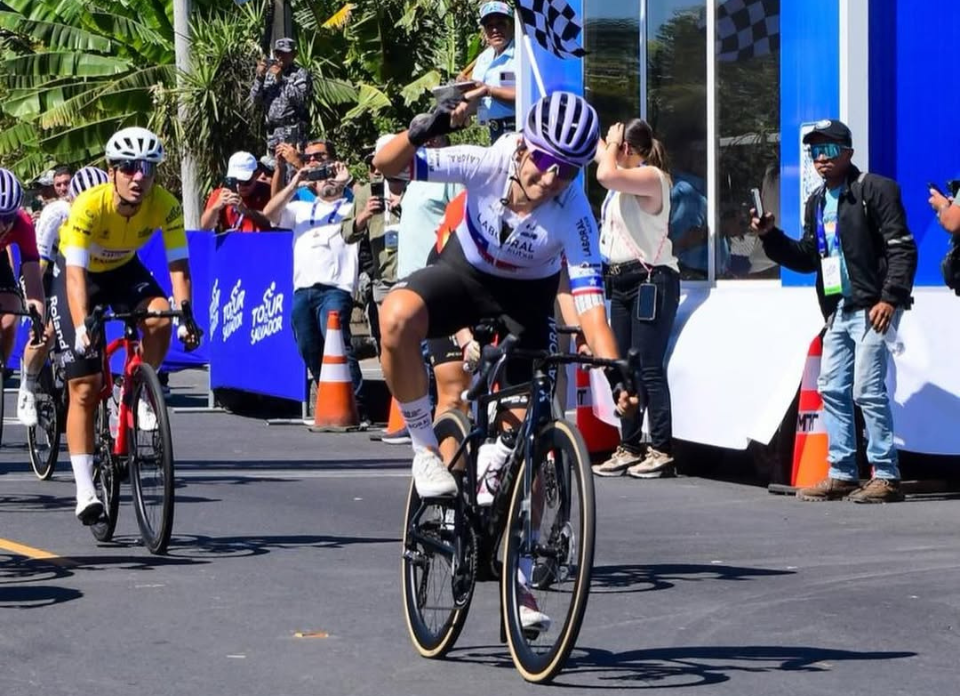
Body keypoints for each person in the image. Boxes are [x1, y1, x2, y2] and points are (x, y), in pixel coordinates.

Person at [374, 92, 638, 631]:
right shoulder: (490, 161)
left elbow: (589, 306)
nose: (551, 177)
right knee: (397, 316)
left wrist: (615, 370)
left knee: (526, 440)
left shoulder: (574, 212)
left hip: (525, 304)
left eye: (567, 170)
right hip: (463, 276)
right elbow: (386, 165)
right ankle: (426, 449)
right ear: (523, 148)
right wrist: (423, 128)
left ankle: (517, 584)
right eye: (543, 160)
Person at [752, 119, 917, 503]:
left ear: (849, 152)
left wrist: (889, 298)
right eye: (814, 152)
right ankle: (843, 472)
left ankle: (886, 475)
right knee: (831, 388)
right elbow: (811, 257)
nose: (820, 159)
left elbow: (901, 248)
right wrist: (770, 237)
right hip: (839, 308)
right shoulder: (817, 202)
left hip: (874, 306)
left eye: (828, 151)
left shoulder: (874, 189)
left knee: (867, 390)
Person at [54, 126, 201, 524]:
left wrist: (185, 313)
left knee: (158, 313)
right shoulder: (89, 205)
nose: (139, 176)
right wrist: (84, 325)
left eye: (148, 169)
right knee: (83, 387)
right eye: (129, 167)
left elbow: (177, 265)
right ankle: (85, 489)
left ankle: (135, 387)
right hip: (82, 277)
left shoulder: (165, 204)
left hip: (123, 270)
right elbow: (74, 275)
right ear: (111, 171)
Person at [591, 119, 681, 479]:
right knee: (623, 366)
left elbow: (605, 174)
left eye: (618, 144)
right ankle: (628, 445)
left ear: (629, 149)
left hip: (651, 279)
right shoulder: (621, 174)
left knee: (649, 366)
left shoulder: (651, 176)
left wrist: (611, 145)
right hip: (621, 280)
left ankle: (661, 447)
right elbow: (600, 157)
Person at [262, 144, 367, 423]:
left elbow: (371, 206)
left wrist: (349, 182)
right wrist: (295, 182)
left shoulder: (350, 206)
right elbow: (269, 214)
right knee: (308, 346)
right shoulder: (301, 207)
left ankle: (356, 404)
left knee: (338, 345)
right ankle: (330, 396)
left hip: (336, 287)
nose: (324, 179)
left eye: (324, 165)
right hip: (303, 288)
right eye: (316, 169)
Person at [345, 135, 407, 356]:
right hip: (384, 281)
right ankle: (395, 389)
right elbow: (347, 233)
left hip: (414, 276)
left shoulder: (420, 186)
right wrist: (363, 217)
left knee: (417, 343)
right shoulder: (367, 192)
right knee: (389, 345)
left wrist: (404, 206)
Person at [0, 169, 47, 427]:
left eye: (7, 217)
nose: (2, 224)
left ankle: (2, 365)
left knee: (9, 318)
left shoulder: (23, 223)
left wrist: (37, 319)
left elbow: (32, 278)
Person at [454, 1, 517, 142]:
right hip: (493, 130)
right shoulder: (484, 58)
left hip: (517, 128)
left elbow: (526, 95)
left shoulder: (521, 56)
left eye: (501, 23)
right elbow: (477, 96)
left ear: (512, 26)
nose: (495, 30)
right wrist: (463, 91)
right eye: (490, 26)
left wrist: (488, 90)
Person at [250, 38, 313, 154]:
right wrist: (259, 78)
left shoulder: (300, 74)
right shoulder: (269, 74)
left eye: (284, 53)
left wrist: (281, 80)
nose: (280, 57)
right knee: (275, 167)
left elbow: (300, 99)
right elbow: (255, 100)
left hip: (292, 131)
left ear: (293, 55)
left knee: (292, 168)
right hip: (273, 133)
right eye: (278, 53)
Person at [200, 151, 272, 233]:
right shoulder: (220, 194)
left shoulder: (266, 191)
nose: (240, 186)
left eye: (245, 182)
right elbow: (205, 227)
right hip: (231, 243)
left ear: (256, 175)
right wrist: (216, 207)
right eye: (235, 181)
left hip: (260, 242)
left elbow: (274, 222)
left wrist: (246, 211)